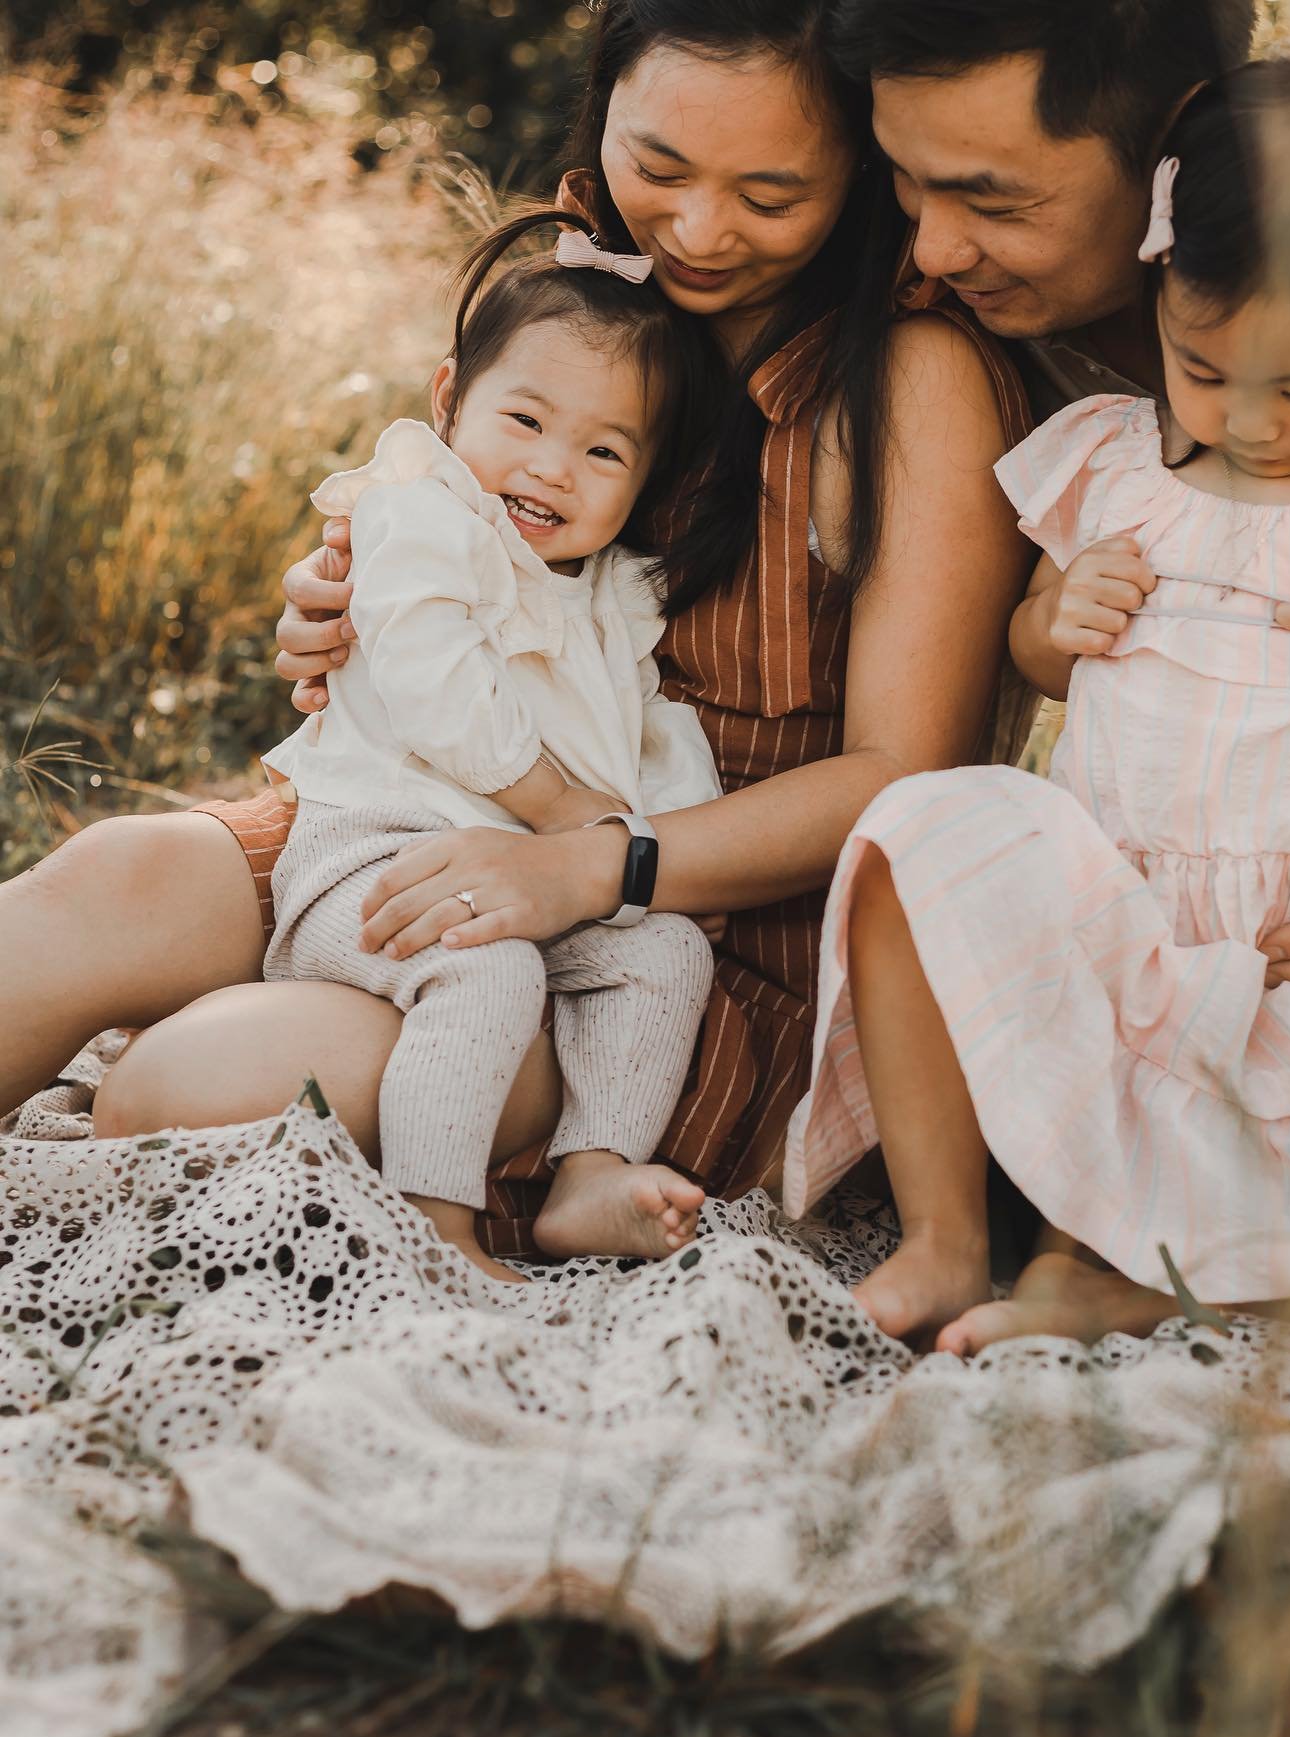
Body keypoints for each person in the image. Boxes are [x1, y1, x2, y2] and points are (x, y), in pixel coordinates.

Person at [1, 0, 1032, 1256]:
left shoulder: (905, 384)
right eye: (657, 167)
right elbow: (461, 543)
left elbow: (906, 777)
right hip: (423, 829)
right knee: (108, 877)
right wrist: (349, 604)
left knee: (172, 1089)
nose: (700, 230)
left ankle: (512, 1161)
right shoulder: (580, 311)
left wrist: (591, 862)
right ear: (602, 121)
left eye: (772, 195)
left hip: (677, 940)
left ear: (864, 181)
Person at [786, 57, 1290, 1350]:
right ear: (1163, 293)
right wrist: (1056, 618)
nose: (1251, 422)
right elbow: (1037, 652)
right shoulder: (1116, 461)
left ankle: (1133, 1292)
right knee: (927, 830)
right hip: (1107, 931)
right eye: (1205, 370)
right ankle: (945, 1238)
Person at [263, 211, 729, 1276]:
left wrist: (664, 845)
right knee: (490, 970)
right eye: (523, 419)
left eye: (603, 450)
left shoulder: (616, 593)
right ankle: (435, 1218)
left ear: (644, 479)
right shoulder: (417, 519)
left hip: (529, 879)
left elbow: (653, 733)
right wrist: (571, 818)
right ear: (449, 401)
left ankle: (590, 1172)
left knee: (666, 952)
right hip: (369, 857)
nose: (553, 468)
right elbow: (437, 688)